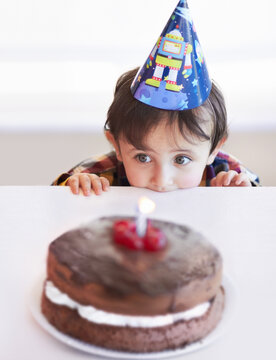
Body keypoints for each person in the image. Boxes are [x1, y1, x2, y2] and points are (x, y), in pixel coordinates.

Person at [52, 67, 260, 195]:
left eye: (181, 159)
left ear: (214, 149)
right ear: (116, 145)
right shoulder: (102, 172)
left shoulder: (226, 172)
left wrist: (242, 195)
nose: (161, 181)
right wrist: (75, 187)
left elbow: (261, 204)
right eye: (143, 157)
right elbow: (48, 200)